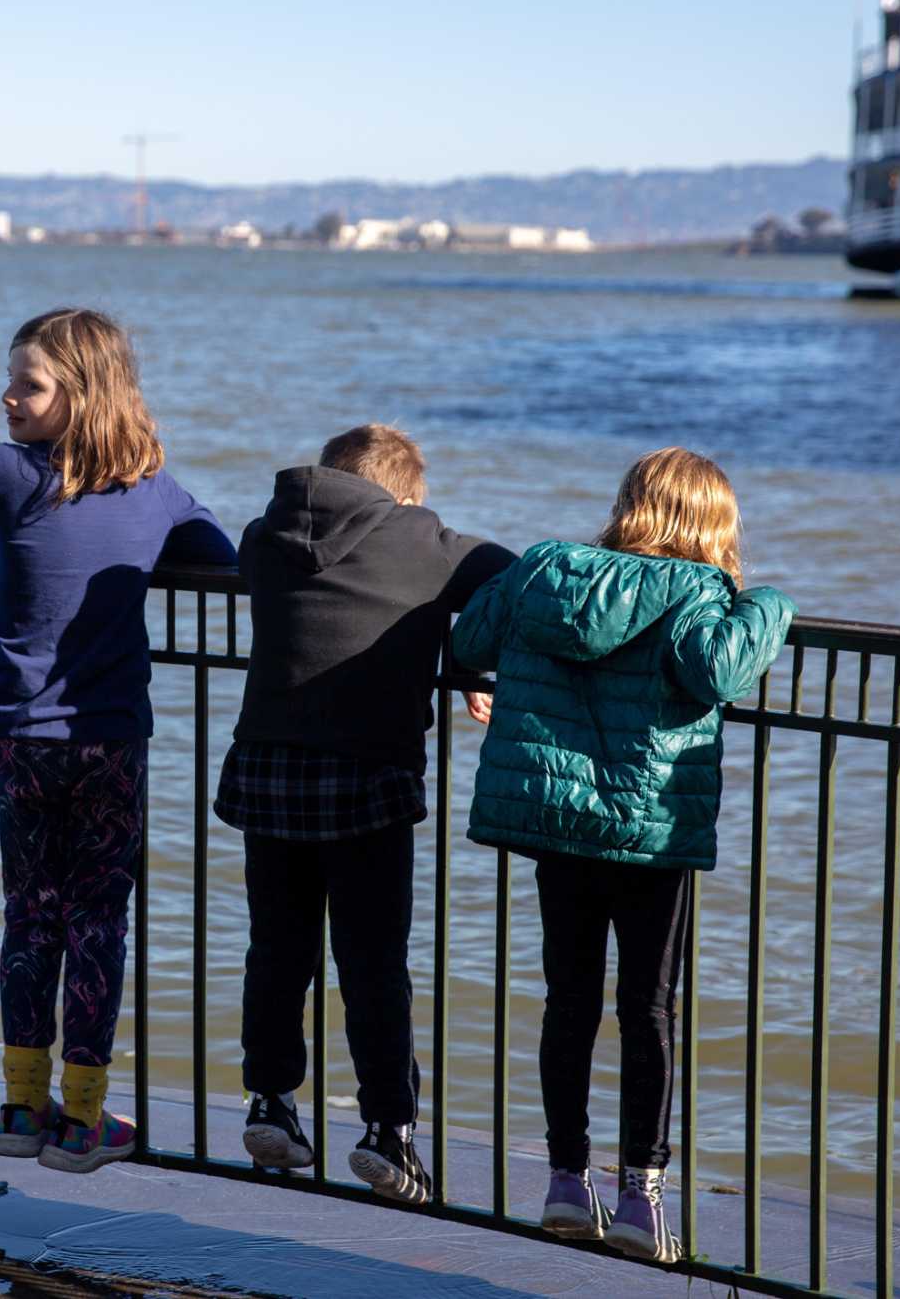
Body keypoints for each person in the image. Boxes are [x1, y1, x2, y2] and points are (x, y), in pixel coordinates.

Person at [451, 446, 794, 1261]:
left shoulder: (546, 569)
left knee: (567, 998)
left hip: (557, 822)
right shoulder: (699, 591)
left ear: (630, 502)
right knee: (648, 1006)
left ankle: (566, 1181)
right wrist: (771, 602)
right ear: (710, 521)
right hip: (649, 831)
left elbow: (471, 630)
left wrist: (477, 673)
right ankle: (642, 1197)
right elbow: (716, 670)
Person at [0, 308, 237, 1174]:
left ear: (79, 396)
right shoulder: (154, 491)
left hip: (16, 734)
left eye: (30, 383)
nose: (8, 396)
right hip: (110, 737)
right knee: (96, 920)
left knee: (28, 915)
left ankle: (18, 1106)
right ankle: (83, 1121)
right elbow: (221, 555)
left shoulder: (6, 473)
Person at [215, 423, 514, 1202]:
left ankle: (272, 1101)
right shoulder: (422, 536)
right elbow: (516, 581)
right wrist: (465, 658)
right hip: (367, 780)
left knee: (277, 949)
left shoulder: (263, 533)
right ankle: (390, 1131)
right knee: (373, 962)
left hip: (270, 771)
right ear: (402, 493)